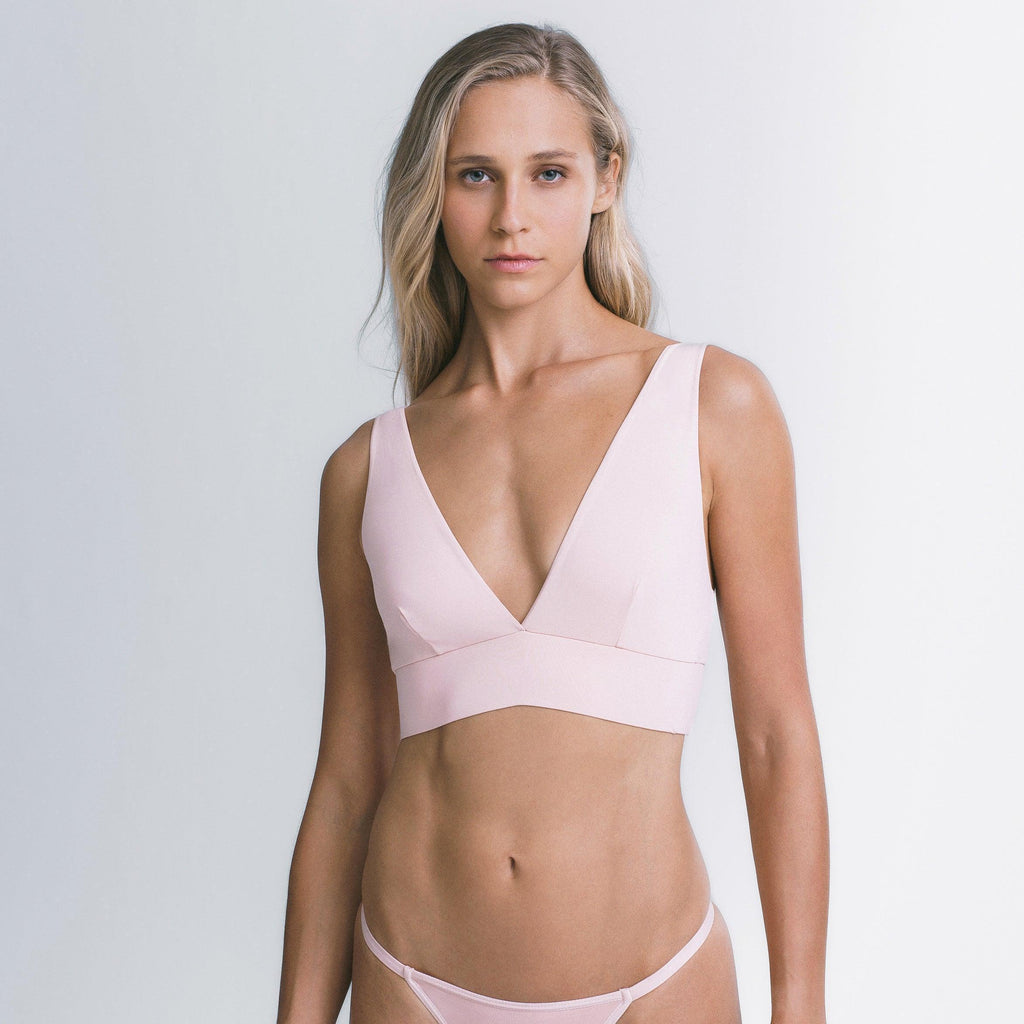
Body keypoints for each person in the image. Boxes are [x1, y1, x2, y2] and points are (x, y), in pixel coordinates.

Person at [277, 21, 829, 1024]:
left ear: (605, 179)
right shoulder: (365, 470)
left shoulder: (712, 407)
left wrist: (803, 1007)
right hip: (411, 978)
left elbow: (776, 737)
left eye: (548, 173)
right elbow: (347, 783)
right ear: (432, 192)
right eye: (475, 176)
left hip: (653, 982)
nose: (511, 218)